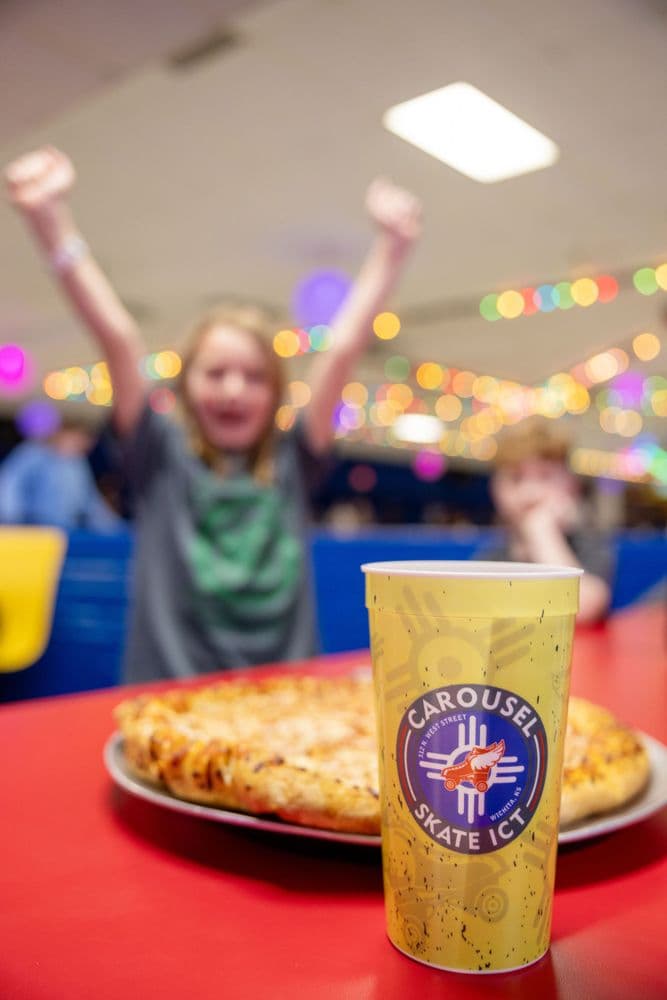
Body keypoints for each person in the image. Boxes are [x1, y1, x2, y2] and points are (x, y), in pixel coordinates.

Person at [5, 146, 421, 681]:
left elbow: (340, 351)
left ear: (275, 393)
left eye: (252, 377)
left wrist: (392, 250)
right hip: (169, 695)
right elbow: (118, 335)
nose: (233, 390)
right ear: (183, 387)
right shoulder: (159, 453)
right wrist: (48, 219)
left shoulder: (295, 457)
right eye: (215, 373)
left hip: (282, 700)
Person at [482, 417, 613, 624]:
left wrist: (542, 530)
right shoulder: (490, 560)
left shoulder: (587, 544)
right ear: (495, 489)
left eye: (545, 477)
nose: (530, 493)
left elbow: (586, 607)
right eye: (516, 478)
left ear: (571, 485)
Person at [0, 418, 122, 531]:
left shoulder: (77, 463)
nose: (88, 445)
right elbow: (8, 487)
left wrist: (117, 529)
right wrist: (12, 523)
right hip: (32, 530)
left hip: (66, 530)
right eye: (82, 438)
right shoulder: (33, 452)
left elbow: (92, 504)